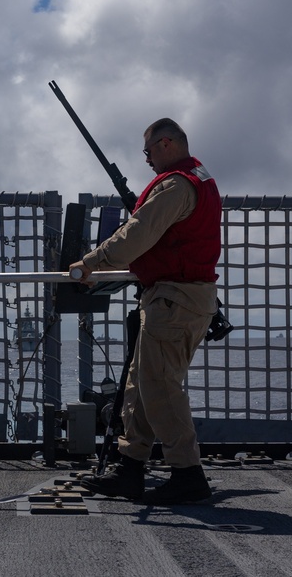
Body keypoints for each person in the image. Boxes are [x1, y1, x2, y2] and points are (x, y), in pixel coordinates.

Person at [70, 118, 220, 505]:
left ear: (167, 144)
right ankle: (129, 467)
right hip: (180, 299)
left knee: (160, 388)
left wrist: (93, 263)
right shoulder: (197, 179)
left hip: (174, 299)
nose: (147, 160)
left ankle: (188, 475)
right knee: (144, 384)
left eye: (149, 151)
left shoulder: (175, 186)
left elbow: (139, 231)